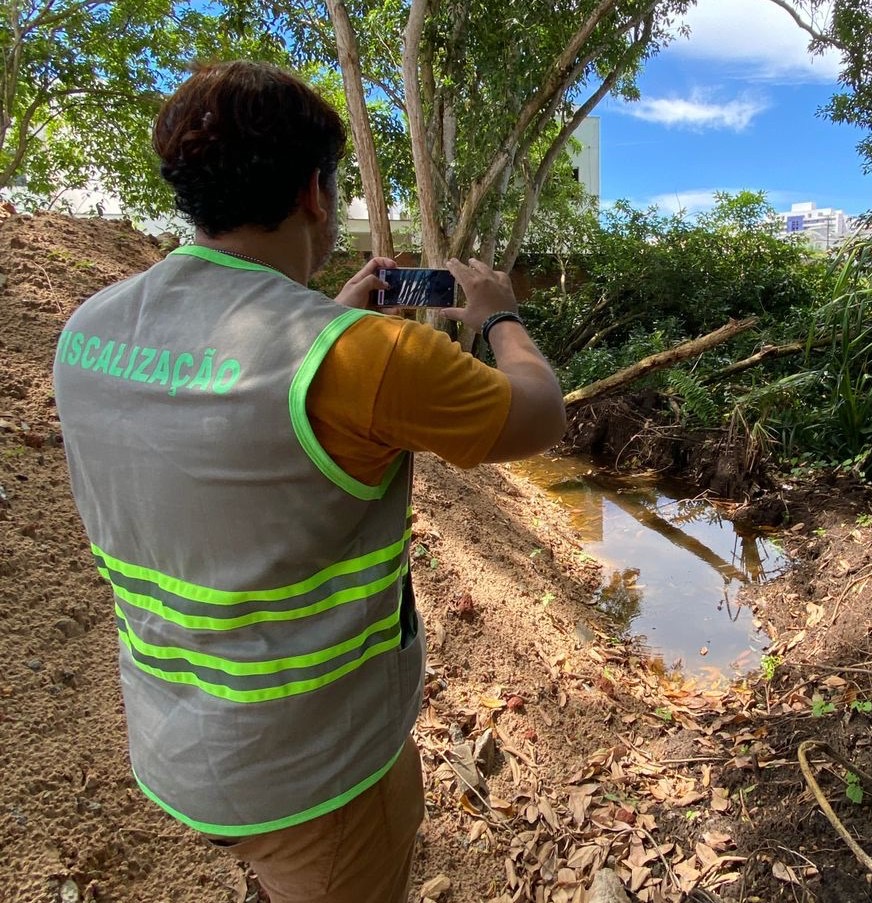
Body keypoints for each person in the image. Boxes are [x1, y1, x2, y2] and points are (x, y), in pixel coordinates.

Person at [52, 60, 566, 903]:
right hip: (315, 773)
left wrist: (327, 316)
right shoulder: (370, 358)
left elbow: (225, 427)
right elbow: (539, 414)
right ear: (316, 196)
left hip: (174, 740)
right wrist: (499, 313)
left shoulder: (90, 330)